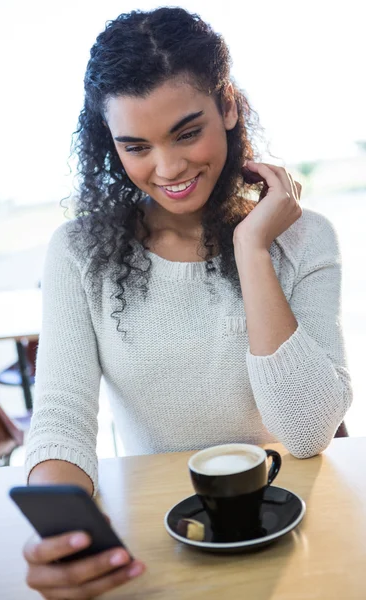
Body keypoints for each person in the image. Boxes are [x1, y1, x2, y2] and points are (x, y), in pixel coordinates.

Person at [23, 6, 353, 598]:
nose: (168, 168)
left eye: (187, 132)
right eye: (136, 146)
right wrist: (62, 530)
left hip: (301, 522)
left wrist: (252, 247)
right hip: (169, 532)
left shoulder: (305, 238)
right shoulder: (78, 253)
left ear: (228, 106)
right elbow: (61, 419)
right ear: (110, 143)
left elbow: (305, 433)